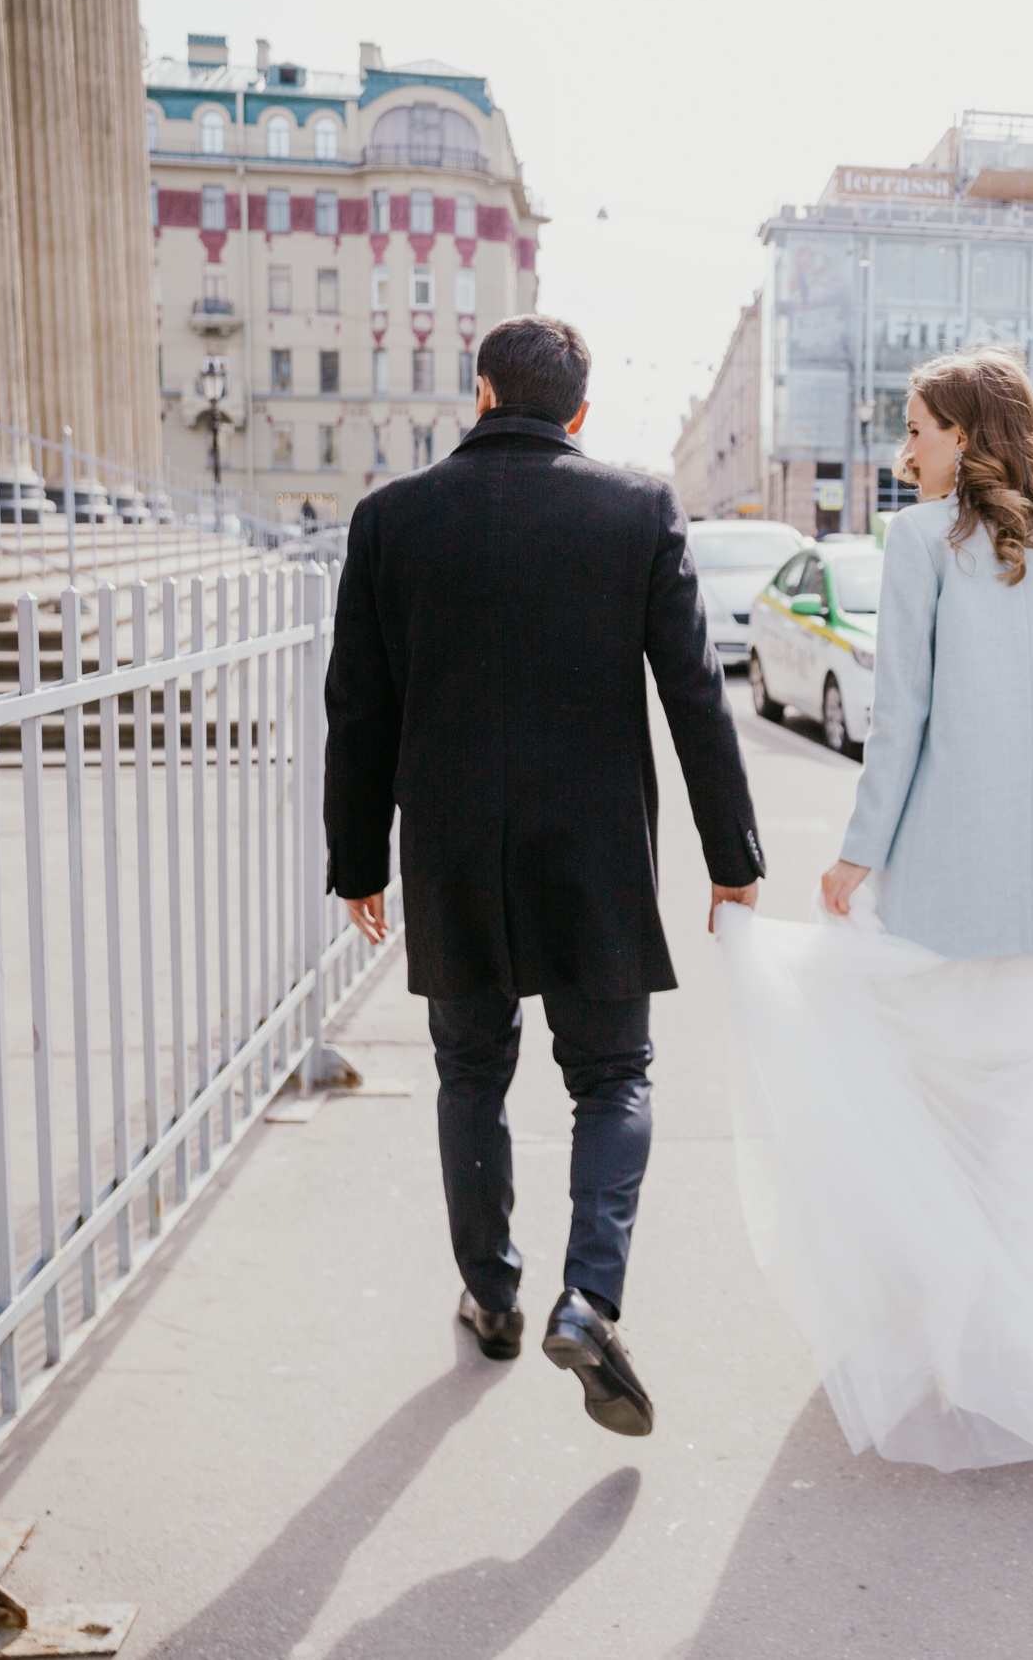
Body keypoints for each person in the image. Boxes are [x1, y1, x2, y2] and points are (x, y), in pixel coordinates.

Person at [716, 346, 1033, 1478]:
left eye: (919, 430)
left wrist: (854, 856)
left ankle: (979, 1345)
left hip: (945, 881)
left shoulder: (922, 543)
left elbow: (904, 720)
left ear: (966, 437)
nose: (904, 451)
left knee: (932, 1111)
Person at [324, 314, 764, 1437]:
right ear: (579, 411)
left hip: (454, 849)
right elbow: (695, 694)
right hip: (597, 850)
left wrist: (356, 859)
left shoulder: (389, 520)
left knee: (471, 1073)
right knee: (611, 1078)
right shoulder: (635, 509)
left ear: (479, 394)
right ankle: (590, 1296)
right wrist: (733, 857)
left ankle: (497, 1294)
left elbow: (359, 709)